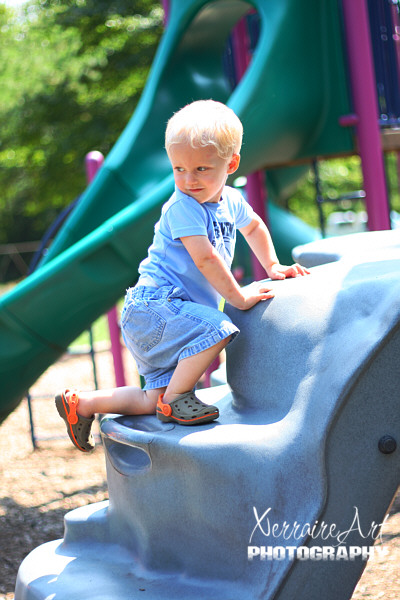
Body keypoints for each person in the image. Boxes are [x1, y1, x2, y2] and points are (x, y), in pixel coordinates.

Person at [55, 99, 309, 452]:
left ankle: (82, 404)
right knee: (219, 329)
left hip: (161, 313)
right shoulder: (182, 207)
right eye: (178, 169)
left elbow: (253, 227)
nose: (188, 180)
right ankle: (177, 399)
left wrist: (273, 266)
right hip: (156, 307)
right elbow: (205, 259)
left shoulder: (231, 200)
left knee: (151, 398)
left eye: (202, 169)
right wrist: (238, 297)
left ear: (230, 164)